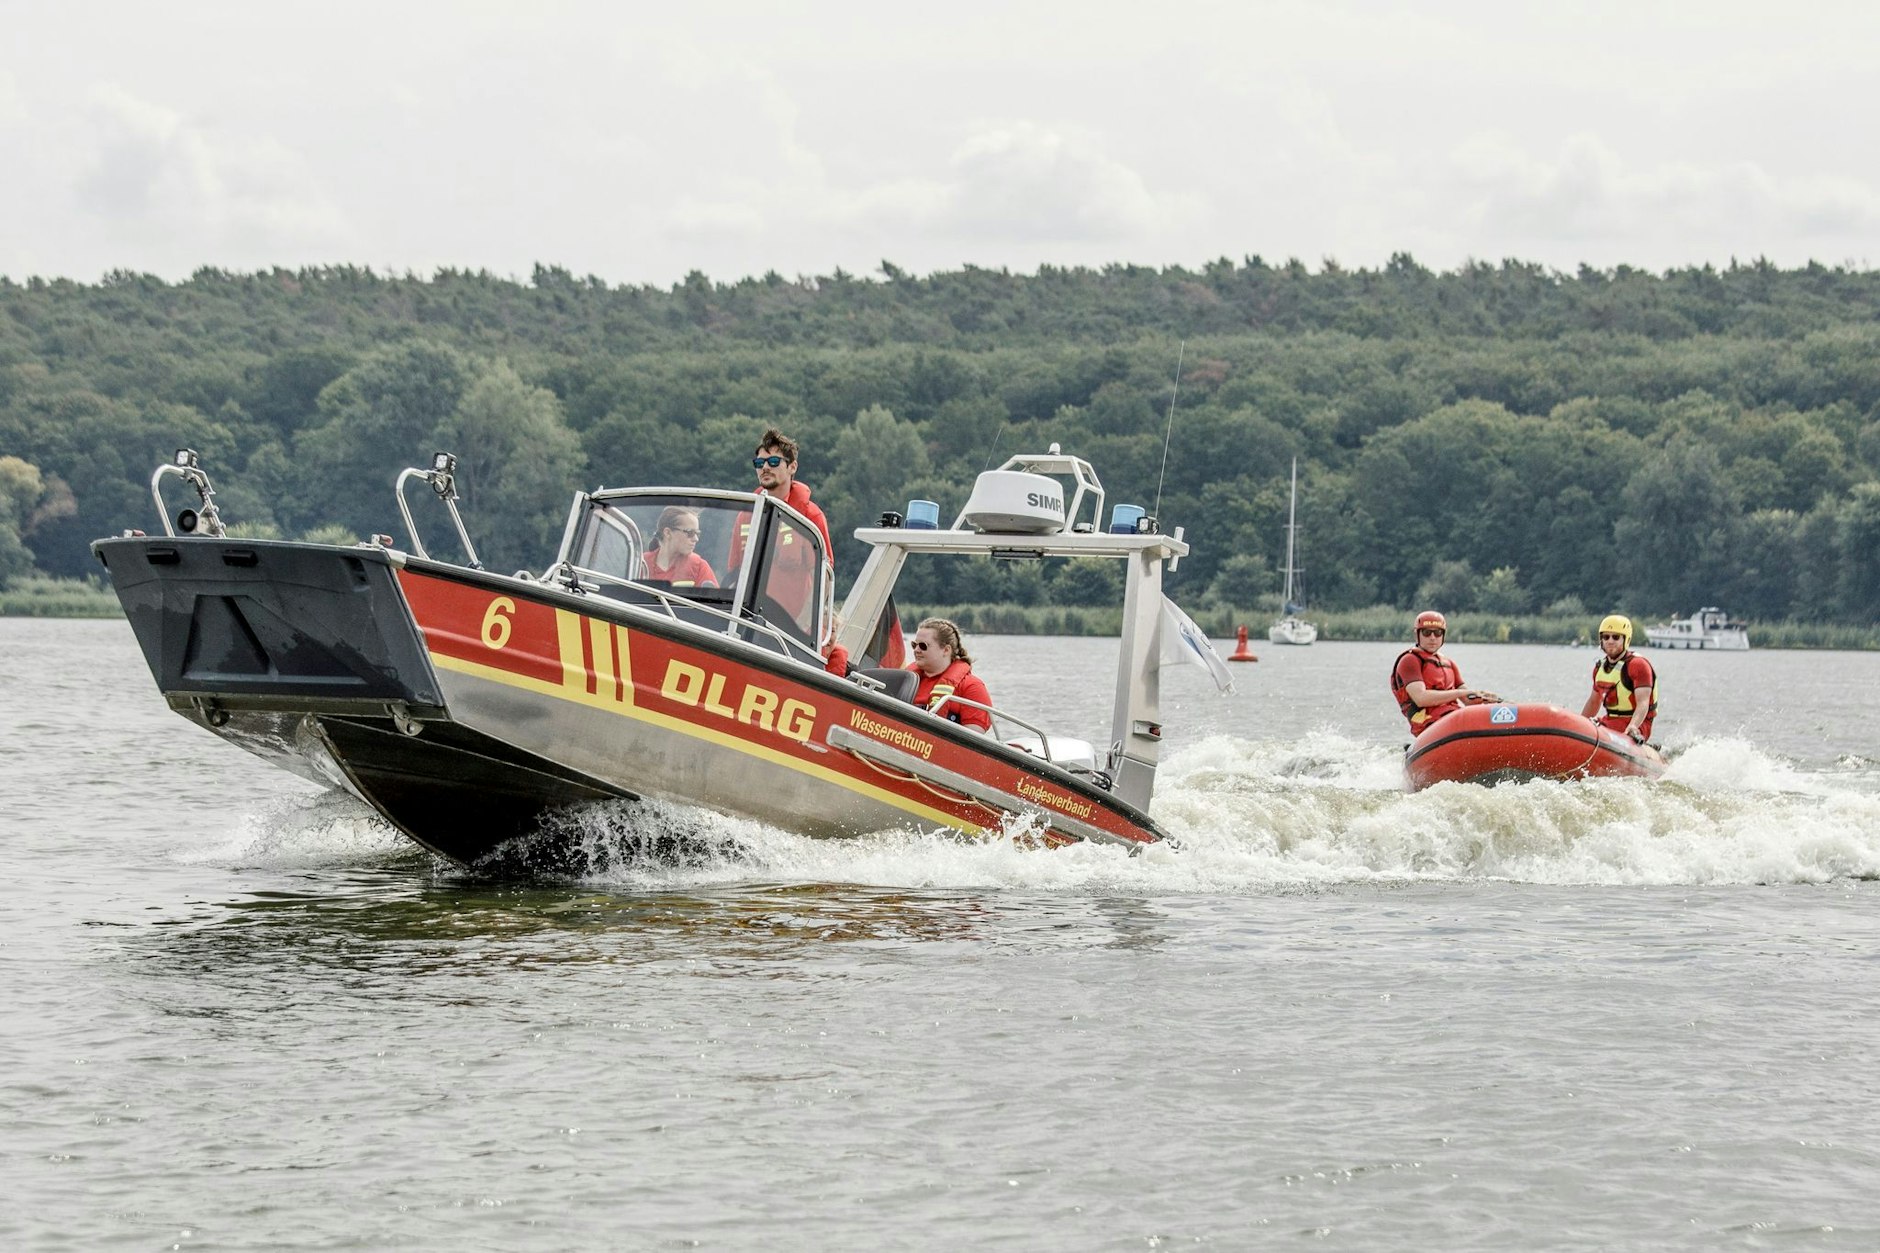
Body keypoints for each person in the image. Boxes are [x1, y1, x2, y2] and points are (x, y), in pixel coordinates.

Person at [728, 427, 834, 626]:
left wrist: (803, 625)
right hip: (747, 621)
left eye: (774, 462)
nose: (765, 467)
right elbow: (734, 574)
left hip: (790, 628)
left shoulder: (810, 516)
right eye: (759, 463)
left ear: (792, 467)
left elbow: (824, 578)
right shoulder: (745, 515)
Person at [1390, 610, 1501, 736]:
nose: (1432, 638)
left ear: (1443, 635)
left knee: (1488, 714)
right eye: (1426, 633)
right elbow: (1421, 698)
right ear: (1417, 634)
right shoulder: (1410, 660)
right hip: (1428, 725)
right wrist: (1461, 692)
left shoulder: (1449, 663)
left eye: (1437, 633)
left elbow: (1467, 700)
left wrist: (1486, 698)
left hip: (1452, 716)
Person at [906, 617, 992, 732]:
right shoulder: (906, 679)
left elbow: (973, 741)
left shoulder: (972, 687)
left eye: (923, 646)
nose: (916, 650)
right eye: (914, 645)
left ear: (946, 650)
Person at [1582, 614, 1657, 744]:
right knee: (1590, 725)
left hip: (1638, 723)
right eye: (1606, 637)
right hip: (1610, 721)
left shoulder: (1638, 665)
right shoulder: (1599, 668)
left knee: (1601, 728)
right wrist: (1580, 724)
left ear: (1625, 640)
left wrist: (1633, 726)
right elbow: (1594, 702)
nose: (1610, 641)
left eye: (1616, 637)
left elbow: (1643, 703)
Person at [642, 506, 717, 587]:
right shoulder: (641, 563)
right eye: (690, 533)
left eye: (697, 533)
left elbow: (714, 598)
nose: (696, 539)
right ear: (667, 533)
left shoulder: (700, 567)